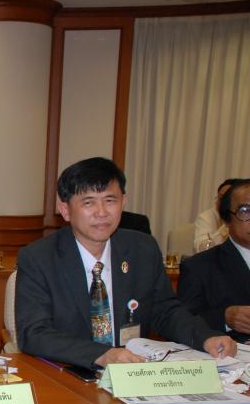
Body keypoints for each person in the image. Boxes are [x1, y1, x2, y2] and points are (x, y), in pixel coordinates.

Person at [15, 157, 236, 369]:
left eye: (110, 200)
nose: (102, 213)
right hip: (67, 371)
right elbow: (34, 333)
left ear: (123, 203)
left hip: (134, 369)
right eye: (88, 202)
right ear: (65, 210)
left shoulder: (142, 249)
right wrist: (101, 354)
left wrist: (205, 337)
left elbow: (165, 311)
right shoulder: (38, 258)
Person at [179, 179, 250, 343]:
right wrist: (225, 318)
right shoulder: (199, 267)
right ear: (226, 219)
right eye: (246, 210)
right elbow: (181, 322)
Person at [194, 179, 240, 253]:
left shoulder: (244, 218)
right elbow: (202, 249)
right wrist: (227, 226)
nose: (223, 202)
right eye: (221, 198)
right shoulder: (205, 217)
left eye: (227, 199)